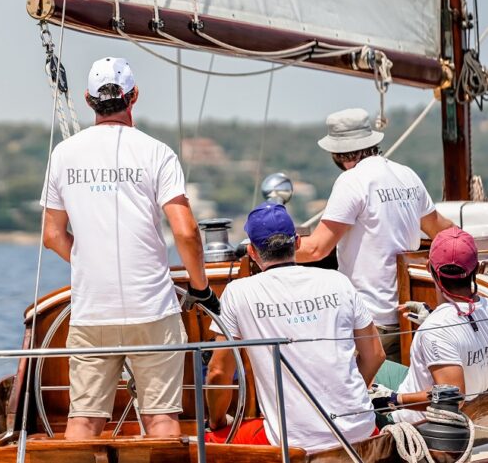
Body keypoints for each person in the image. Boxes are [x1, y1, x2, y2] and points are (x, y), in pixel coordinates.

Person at [41, 57, 213, 440]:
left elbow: (52, 234)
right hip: (151, 306)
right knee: (161, 418)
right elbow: (185, 233)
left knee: (83, 420)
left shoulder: (63, 154)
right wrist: (201, 288)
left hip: (92, 310)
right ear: (133, 96)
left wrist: (88, 264)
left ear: (88, 100)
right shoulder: (157, 152)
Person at [205, 203, 385, 450]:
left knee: (209, 443)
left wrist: (216, 423)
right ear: (298, 242)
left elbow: (218, 373)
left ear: (252, 252)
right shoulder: (338, 282)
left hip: (294, 444)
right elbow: (375, 355)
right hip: (361, 432)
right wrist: (348, 403)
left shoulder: (238, 293)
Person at [296, 108, 453, 362]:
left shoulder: (352, 181)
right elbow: (443, 231)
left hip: (370, 323)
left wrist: (267, 249)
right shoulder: (407, 175)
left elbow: (316, 249)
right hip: (410, 318)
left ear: (340, 154)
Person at [371, 227, 488, 423]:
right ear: (476, 268)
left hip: (414, 421)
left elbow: (453, 397)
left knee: (351, 370)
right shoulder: (484, 307)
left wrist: (393, 400)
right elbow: (468, 334)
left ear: (429, 269)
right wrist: (433, 317)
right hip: (475, 412)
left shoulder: (436, 329)